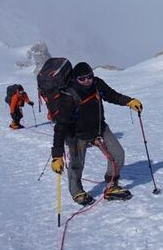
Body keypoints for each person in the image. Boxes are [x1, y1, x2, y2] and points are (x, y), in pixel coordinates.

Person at [49, 62, 143, 204]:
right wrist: (57, 156)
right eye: (82, 79)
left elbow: (112, 95)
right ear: (75, 79)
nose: (87, 81)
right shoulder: (68, 96)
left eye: (89, 77)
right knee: (76, 165)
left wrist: (129, 101)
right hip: (76, 135)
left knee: (118, 155)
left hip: (99, 128)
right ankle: (77, 192)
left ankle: (112, 185)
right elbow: (60, 127)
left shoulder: (97, 84)